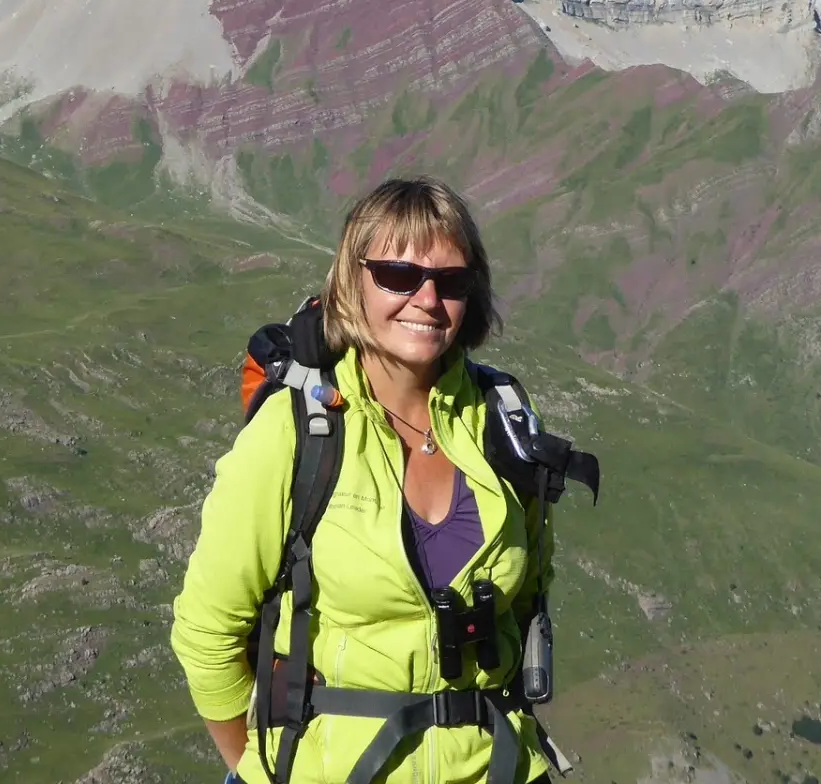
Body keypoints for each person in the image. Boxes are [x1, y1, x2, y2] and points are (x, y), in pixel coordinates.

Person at [171, 177, 556, 784]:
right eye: (398, 276)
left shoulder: (502, 419)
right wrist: (255, 765)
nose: (427, 299)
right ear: (353, 282)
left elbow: (530, 593)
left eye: (451, 281)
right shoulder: (296, 431)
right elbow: (207, 630)